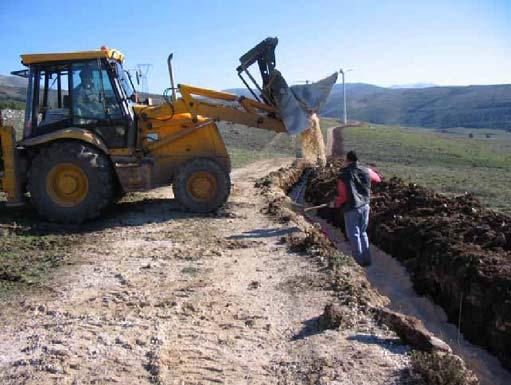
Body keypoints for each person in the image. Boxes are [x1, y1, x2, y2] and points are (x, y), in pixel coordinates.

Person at [332, 150, 381, 266]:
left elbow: (343, 195)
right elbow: (378, 179)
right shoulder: (366, 170)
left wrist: (336, 204)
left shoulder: (344, 174)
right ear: (357, 160)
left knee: (354, 235)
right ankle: (367, 260)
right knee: (362, 232)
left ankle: (358, 263)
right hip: (365, 205)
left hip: (352, 208)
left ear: (347, 160)